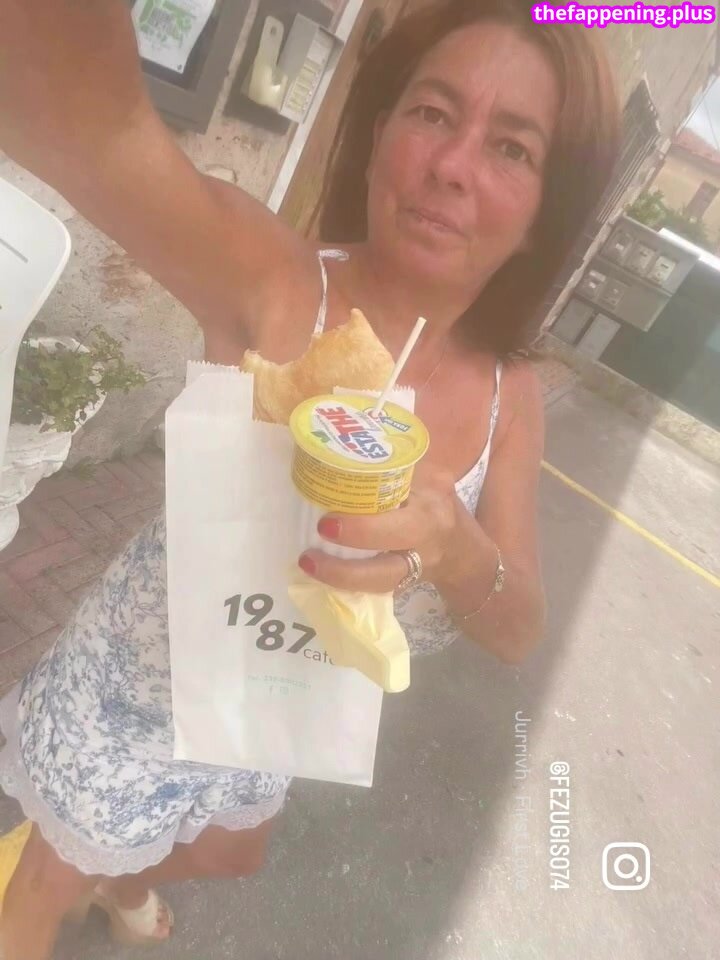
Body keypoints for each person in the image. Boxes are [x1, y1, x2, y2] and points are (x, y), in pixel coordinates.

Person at [0, 0, 620, 956]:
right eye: (432, 112)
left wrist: (452, 546)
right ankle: (92, 872)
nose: (452, 165)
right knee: (47, 882)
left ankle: (121, 875)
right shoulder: (281, 282)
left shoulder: (514, 398)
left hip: (274, 703)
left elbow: (517, 627)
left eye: (512, 148)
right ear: (377, 138)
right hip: (139, 682)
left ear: (546, 213)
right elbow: (101, 128)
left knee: (231, 853)